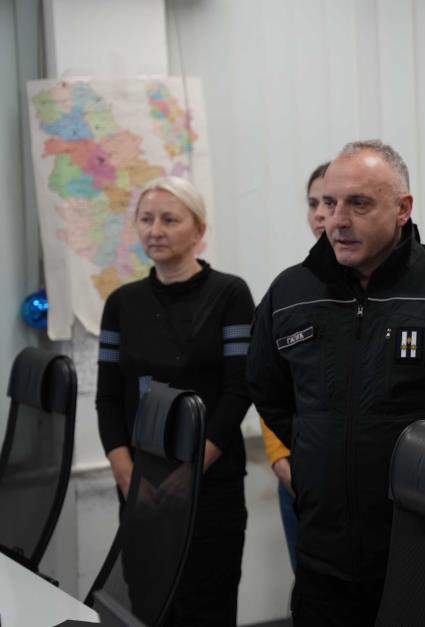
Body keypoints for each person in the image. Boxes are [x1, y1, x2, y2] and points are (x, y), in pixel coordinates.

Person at [247, 139, 425, 627]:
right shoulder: (290, 292)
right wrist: (312, 455)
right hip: (324, 559)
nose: (337, 220)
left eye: (359, 203)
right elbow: (268, 389)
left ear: (402, 208)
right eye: (329, 203)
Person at [96, 176, 253, 626]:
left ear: (198, 229)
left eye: (169, 220)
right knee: (148, 607)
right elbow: (109, 397)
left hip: (211, 485)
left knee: (207, 607)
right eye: (146, 219)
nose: (155, 230)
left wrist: (192, 472)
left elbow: (239, 390)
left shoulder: (230, 294)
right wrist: (126, 474)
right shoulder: (121, 303)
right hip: (142, 487)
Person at [258, 160, 330, 571]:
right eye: (313, 203)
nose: (321, 214)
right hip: (298, 476)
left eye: (330, 202)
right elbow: (269, 382)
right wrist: (279, 457)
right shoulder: (289, 289)